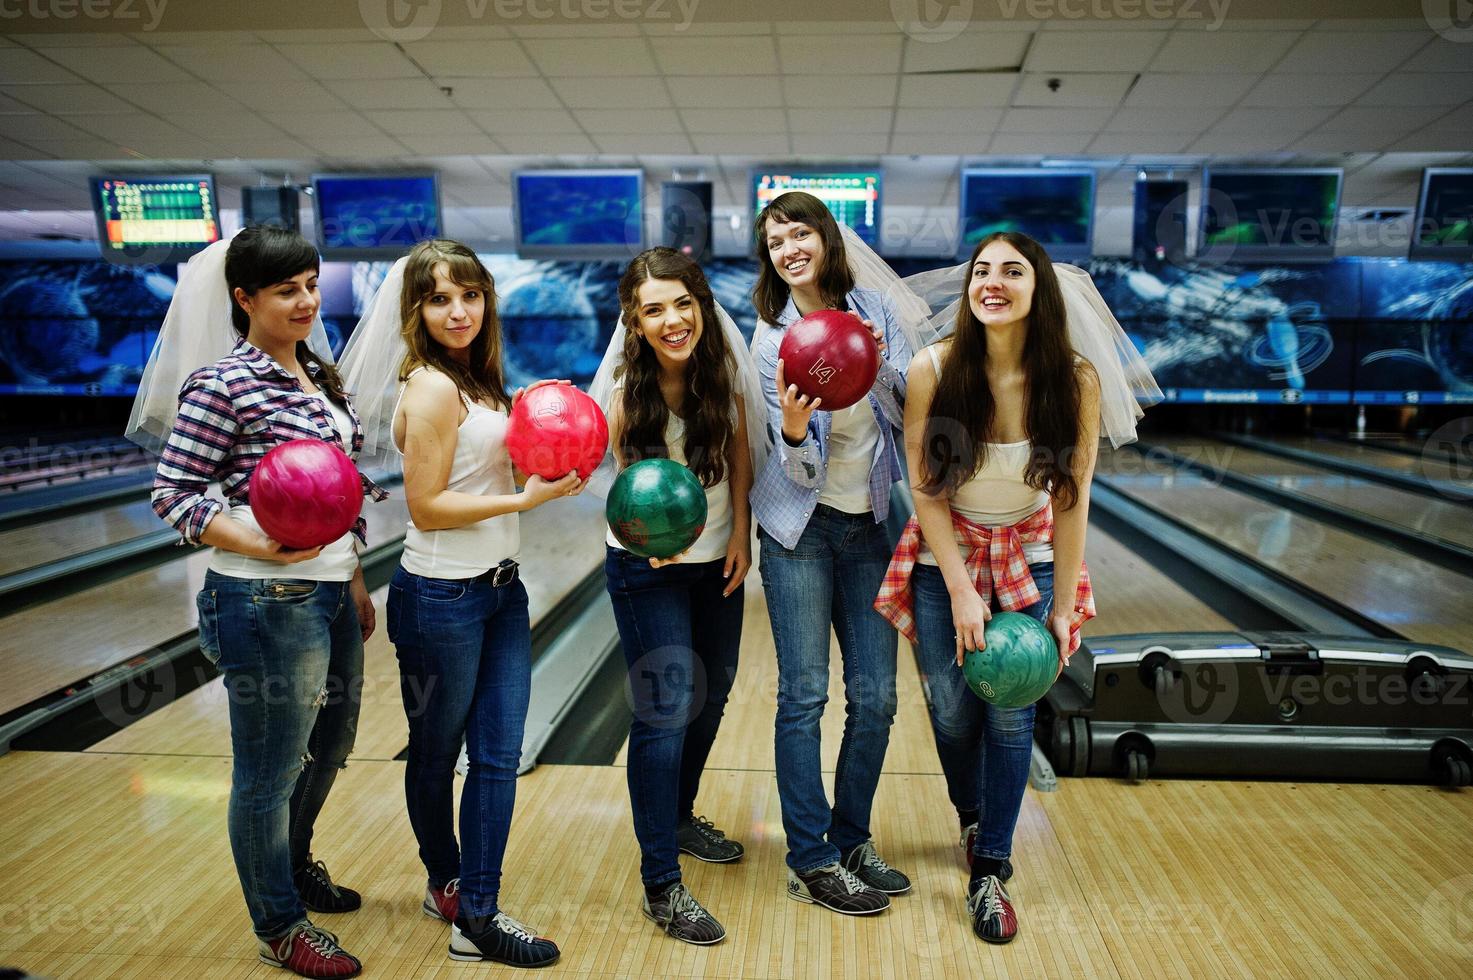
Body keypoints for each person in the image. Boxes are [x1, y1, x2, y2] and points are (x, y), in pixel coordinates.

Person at [876, 231, 1158, 944]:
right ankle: (971, 816)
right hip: (949, 555)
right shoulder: (933, 369)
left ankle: (989, 869)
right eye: (982, 271)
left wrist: (1063, 606)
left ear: (1040, 291)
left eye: (1012, 271)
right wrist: (962, 589)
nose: (991, 282)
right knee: (949, 709)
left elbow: (1071, 496)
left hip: (1028, 554)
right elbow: (925, 489)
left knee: (1008, 712)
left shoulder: (1075, 379)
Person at [131, 225, 385, 980]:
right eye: (286, 290)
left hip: (331, 590)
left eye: (310, 285)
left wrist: (358, 578)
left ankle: (295, 861)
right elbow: (171, 493)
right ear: (243, 299)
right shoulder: (223, 384)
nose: (306, 301)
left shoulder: (319, 373)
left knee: (331, 745)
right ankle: (279, 923)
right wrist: (255, 544)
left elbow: (339, 491)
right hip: (264, 599)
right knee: (268, 770)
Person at [337, 239, 578, 967]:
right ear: (416, 310)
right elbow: (427, 506)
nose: (458, 310)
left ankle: (476, 909)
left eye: (469, 294)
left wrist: (546, 425)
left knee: (498, 757)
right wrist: (524, 498)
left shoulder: (478, 380)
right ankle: (445, 880)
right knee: (438, 754)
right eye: (439, 298)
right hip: (441, 596)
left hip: (501, 593)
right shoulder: (432, 387)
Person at [749, 191, 924, 916]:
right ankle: (811, 858)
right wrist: (792, 434)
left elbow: (914, 404)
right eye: (774, 240)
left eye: (798, 232)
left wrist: (878, 366)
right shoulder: (769, 341)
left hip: (871, 526)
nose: (789, 247)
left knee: (877, 699)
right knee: (804, 697)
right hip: (800, 531)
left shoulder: (876, 311)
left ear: (823, 238)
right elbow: (798, 472)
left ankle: (851, 838)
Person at [587, 246, 765, 945]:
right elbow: (616, 482)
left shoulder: (722, 366)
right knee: (664, 713)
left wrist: (740, 532)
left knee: (712, 691)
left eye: (681, 303)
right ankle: (660, 883)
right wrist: (640, 538)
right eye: (653, 308)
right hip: (645, 566)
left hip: (715, 556)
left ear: (700, 305)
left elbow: (743, 452)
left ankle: (680, 814)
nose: (671, 319)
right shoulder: (621, 388)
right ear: (633, 319)